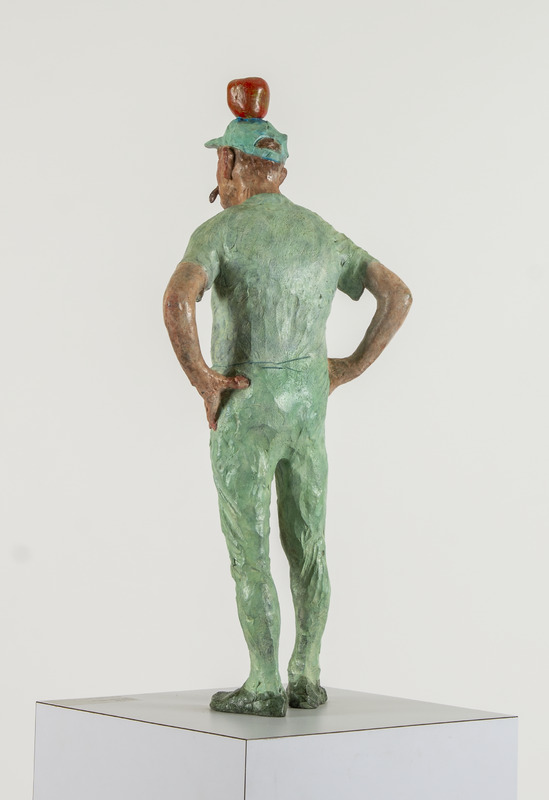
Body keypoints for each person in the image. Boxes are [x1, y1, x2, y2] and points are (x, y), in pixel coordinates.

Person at [163, 96, 412, 718]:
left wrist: (204, 381)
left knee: (250, 553)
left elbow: (177, 299)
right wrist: (346, 367)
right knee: (309, 545)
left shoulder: (219, 232)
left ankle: (264, 682)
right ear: (278, 169)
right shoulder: (320, 233)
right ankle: (307, 673)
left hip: (245, 404)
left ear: (230, 163)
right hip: (306, 408)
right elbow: (396, 294)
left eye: (221, 163)